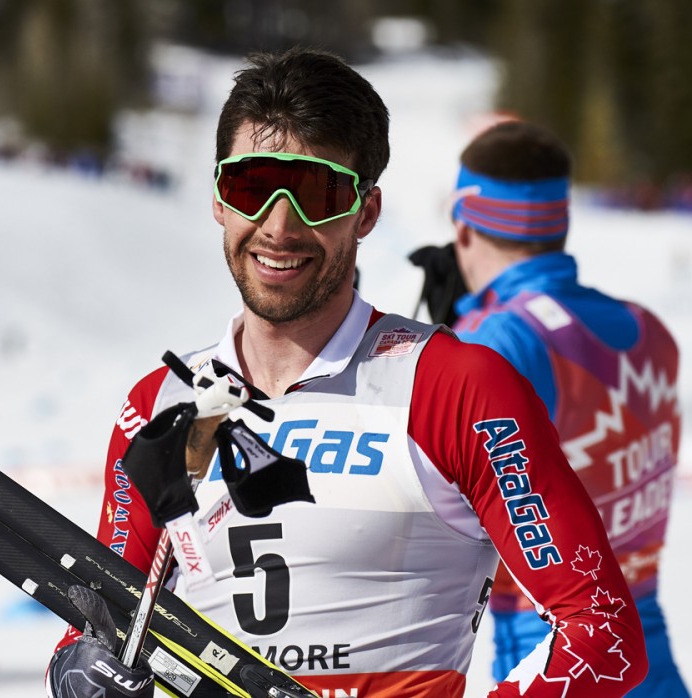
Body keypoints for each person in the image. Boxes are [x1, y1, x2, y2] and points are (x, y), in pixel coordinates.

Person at [48, 48, 648, 697]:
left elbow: (603, 633)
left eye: (317, 193)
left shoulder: (454, 387)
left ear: (365, 212)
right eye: (252, 187)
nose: (280, 227)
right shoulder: (167, 404)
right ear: (220, 199)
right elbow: (95, 622)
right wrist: (78, 668)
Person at [446, 120, 686, 697]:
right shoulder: (647, 325)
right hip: (652, 657)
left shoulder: (495, 340)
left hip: (559, 655)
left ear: (464, 229)